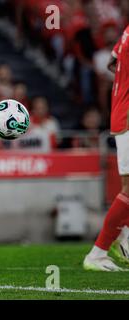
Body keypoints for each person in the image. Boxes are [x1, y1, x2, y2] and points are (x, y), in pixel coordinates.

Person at [83, 25, 129, 271]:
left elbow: (111, 63)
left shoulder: (126, 32)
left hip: (122, 112)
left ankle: (124, 239)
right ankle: (98, 253)